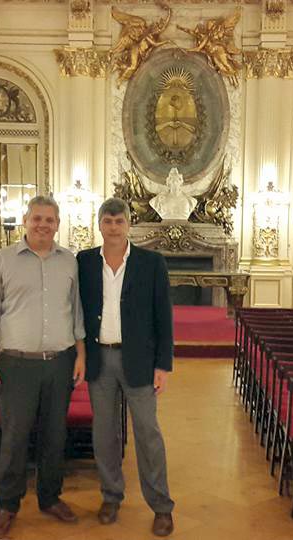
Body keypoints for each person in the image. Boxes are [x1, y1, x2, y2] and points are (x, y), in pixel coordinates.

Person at [0, 195, 86, 539]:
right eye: (37, 218)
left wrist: (81, 355)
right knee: (15, 437)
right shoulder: (3, 260)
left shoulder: (69, 262)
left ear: (58, 224)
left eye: (49, 220)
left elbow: (77, 312)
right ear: (25, 221)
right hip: (16, 365)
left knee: (55, 435)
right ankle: (7, 505)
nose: (43, 225)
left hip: (60, 362)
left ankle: (50, 498)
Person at [77, 197, 176, 537]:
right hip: (99, 360)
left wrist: (163, 365)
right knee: (104, 433)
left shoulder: (151, 263)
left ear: (129, 224)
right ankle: (111, 496)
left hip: (140, 362)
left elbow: (163, 317)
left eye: (119, 221)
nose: (114, 227)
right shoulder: (85, 262)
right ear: (100, 224)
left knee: (148, 433)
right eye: (108, 221)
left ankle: (161, 506)